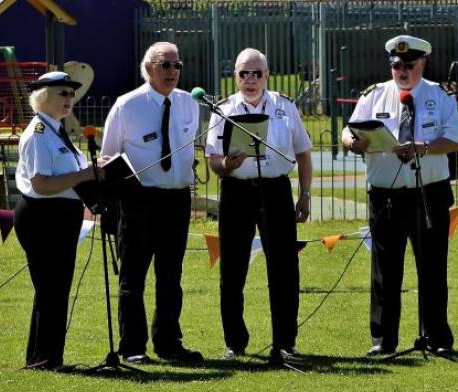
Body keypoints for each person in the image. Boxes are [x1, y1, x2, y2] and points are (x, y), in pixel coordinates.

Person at [342, 35, 458, 356]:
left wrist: (423, 148)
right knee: (385, 269)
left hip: (429, 193)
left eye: (409, 65)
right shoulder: (375, 95)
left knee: (432, 269)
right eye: (396, 65)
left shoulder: (440, 96)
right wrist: (354, 143)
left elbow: (454, 139)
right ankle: (383, 340)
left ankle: (436, 338)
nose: (402, 70)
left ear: (422, 63)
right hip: (385, 195)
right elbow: (348, 130)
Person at [205, 48, 312, 364]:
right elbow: (212, 160)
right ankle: (234, 342)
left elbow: (303, 152)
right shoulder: (222, 110)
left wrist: (305, 195)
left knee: (284, 268)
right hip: (236, 191)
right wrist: (225, 163)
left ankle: (284, 342)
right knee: (233, 269)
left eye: (257, 73)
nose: (250, 80)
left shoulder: (284, 106)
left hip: (276, 189)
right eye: (243, 73)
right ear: (235, 76)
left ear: (267, 75)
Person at [100, 41, 203, 364]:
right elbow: (107, 157)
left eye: (177, 65)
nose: (172, 71)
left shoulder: (189, 104)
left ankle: (169, 343)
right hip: (138, 201)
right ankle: (132, 347)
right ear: (148, 69)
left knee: (171, 276)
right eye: (165, 64)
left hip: (177, 199)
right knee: (134, 276)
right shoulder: (126, 105)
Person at [14, 71, 105, 370]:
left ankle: (46, 356)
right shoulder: (40, 132)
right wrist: (84, 174)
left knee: (55, 289)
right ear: (43, 98)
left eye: (71, 94)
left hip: (61, 216)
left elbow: (72, 169)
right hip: (43, 217)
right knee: (50, 288)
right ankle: (45, 358)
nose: (70, 99)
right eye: (62, 93)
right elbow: (41, 183)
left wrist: (96, 167)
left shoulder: (56, 130)